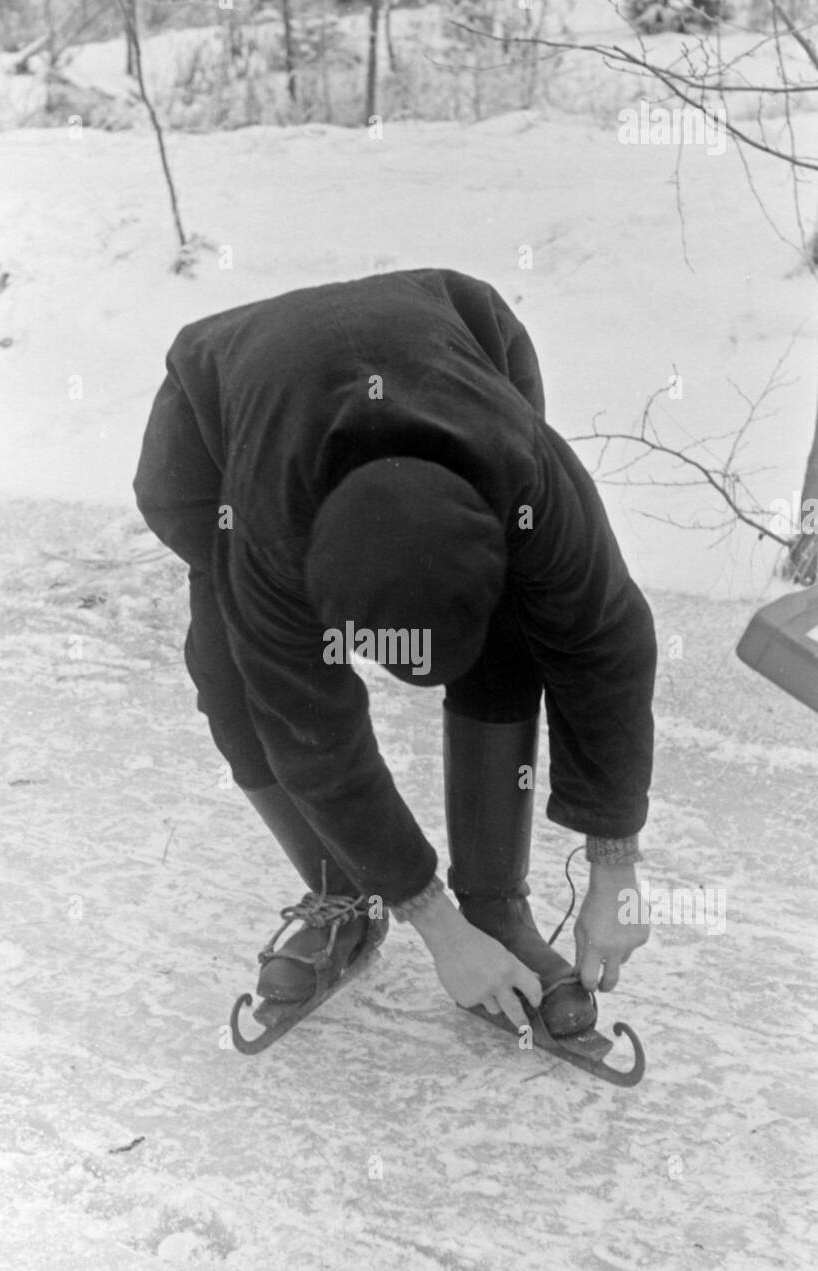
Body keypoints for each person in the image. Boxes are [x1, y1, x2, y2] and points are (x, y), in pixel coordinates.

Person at [134, 268, 655, 1039]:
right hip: (216, 434)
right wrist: (431, 924)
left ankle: (494, 901)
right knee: (234, 673)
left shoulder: (527, 478)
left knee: (516, 631)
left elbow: (603, 644)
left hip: (460, 338)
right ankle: (344, 892)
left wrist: (615, 859)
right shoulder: (271, 539)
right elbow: (313, 737)